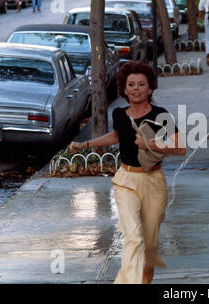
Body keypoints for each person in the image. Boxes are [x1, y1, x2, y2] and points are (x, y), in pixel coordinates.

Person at [70, 61, 186, 284]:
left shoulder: (162, 115)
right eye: (131, 84)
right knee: (133, 237)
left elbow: (180, 148)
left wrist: (152, 145)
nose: (136, 88)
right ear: (123, 89)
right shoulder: (120, 114)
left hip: (154, 181)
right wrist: (86, 145)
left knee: (149, 247)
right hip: (126, 180)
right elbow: (116, 136)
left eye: (141, 84)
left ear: (150, 88)